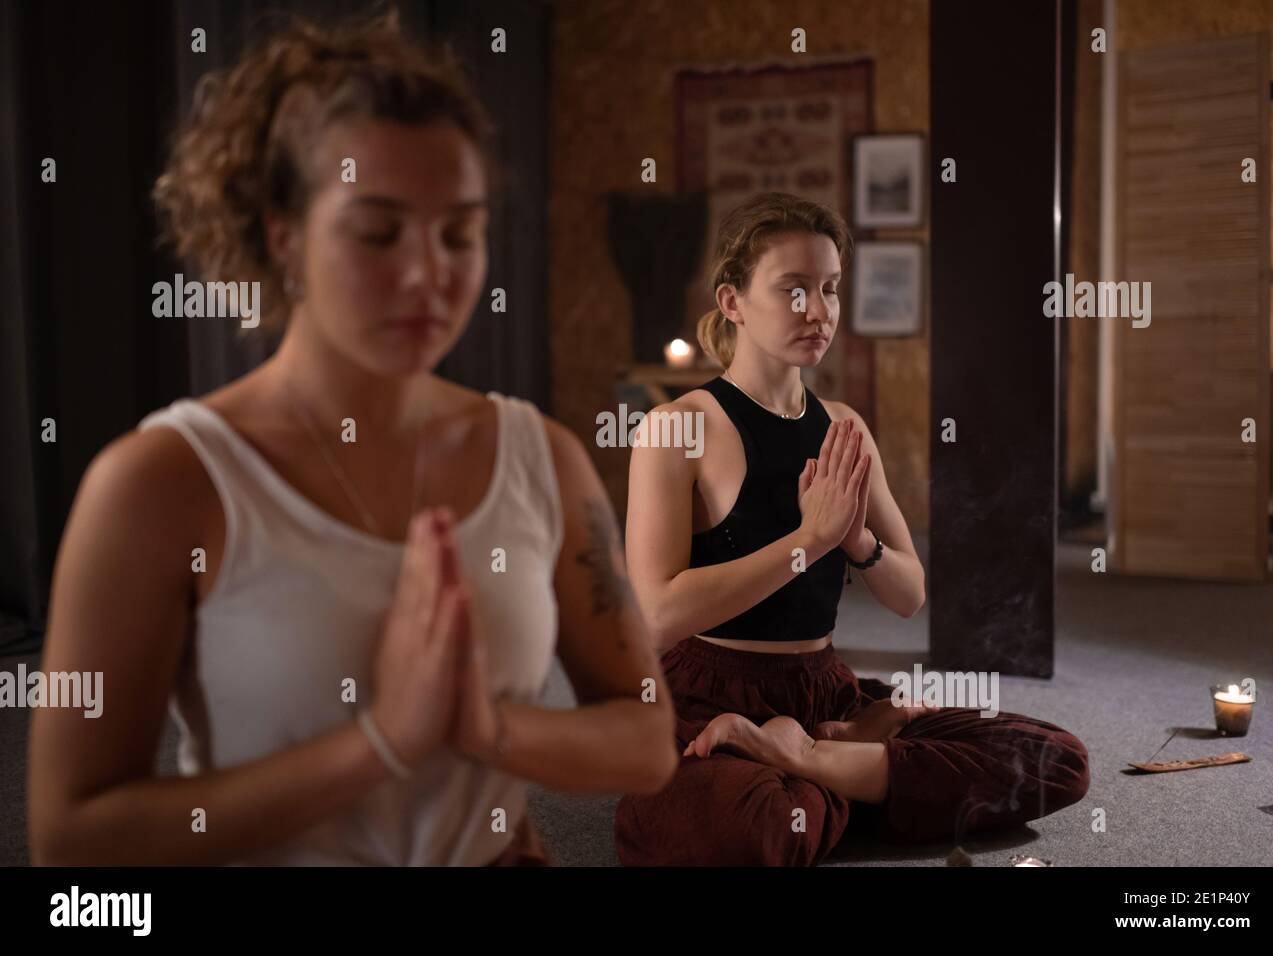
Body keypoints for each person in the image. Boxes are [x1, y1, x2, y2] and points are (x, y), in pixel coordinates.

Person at [27, 12, 676, 866]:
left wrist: (488, 728)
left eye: (460, 233)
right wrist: (381, 741)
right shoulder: (162, 482)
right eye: (378, 232)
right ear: (281, 234)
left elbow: (647, 739)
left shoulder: (542, 458)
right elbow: (72, 835)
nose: (428, 274)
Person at [614, 192, 1090, 866]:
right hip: (707, 695)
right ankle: (851, 768)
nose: (820, 310)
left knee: (1057, 761)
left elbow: (908, 595)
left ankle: (809, 757)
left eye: (831, 288)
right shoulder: (676, 429)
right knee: (748, 827)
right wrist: (806, 542)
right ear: (732, 302)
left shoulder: (844, 426)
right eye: (794, 289)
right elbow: (657, 616)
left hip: (826, 693)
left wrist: (854, 541)